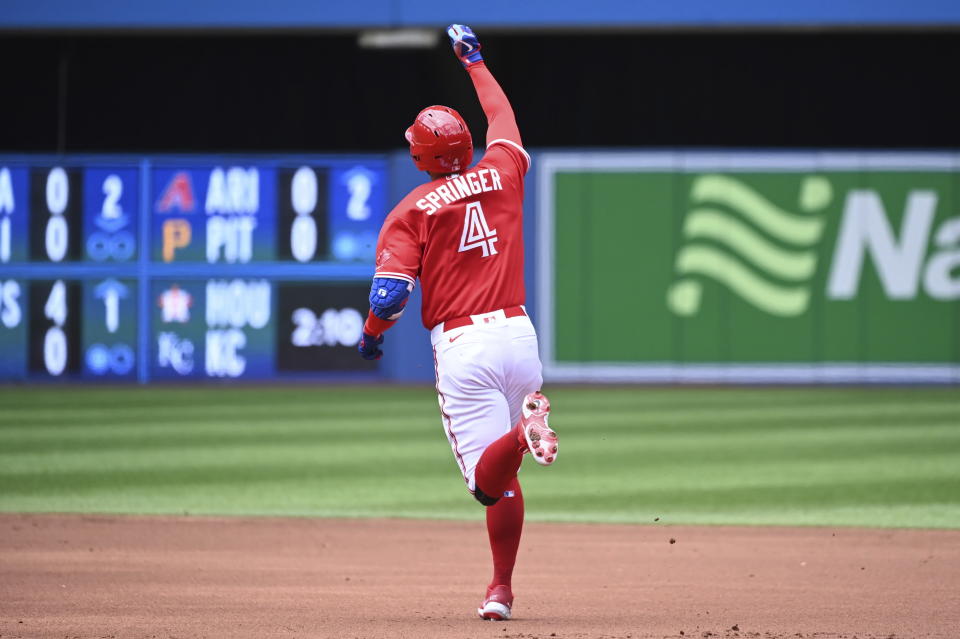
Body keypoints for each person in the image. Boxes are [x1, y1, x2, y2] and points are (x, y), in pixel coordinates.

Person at [358, 24, 559, 621]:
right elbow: (503, 116)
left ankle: (523, 433)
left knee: (484, 482)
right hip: (520, 336)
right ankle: (501, 589)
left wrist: (371, 335)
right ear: (466, 144)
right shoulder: (502, 169)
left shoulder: (409, 211)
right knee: (506, 480)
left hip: (465, 345)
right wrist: (473, 62)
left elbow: (391, 295)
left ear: (418, 156)